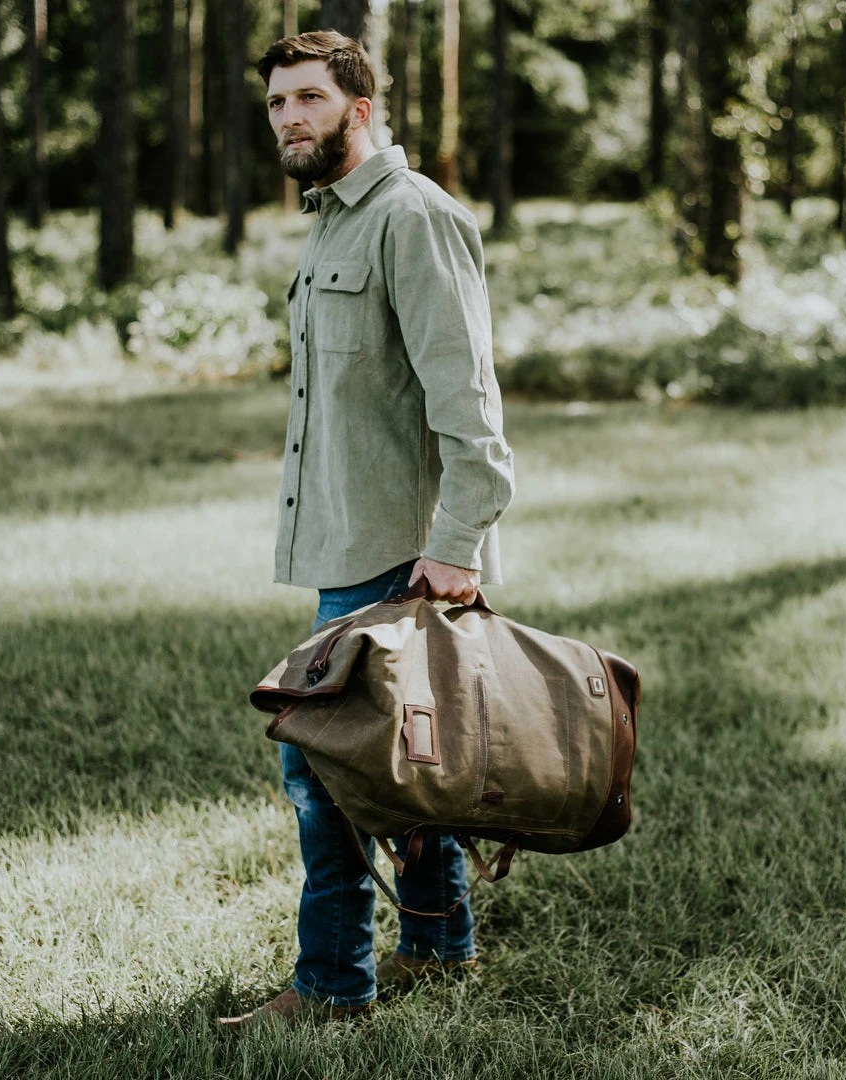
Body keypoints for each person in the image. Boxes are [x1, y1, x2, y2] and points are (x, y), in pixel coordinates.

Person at [218, 31, 515, 1029]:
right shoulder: (333, 222)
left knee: (322, 766)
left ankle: (332, 985)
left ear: (361, 106)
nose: (290, 118)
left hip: (406, 554)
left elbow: (468, 405)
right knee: (408, 764)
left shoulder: (411, 218)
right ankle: (439, 951)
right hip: (352, 541)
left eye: (308, 98)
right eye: (276, 104)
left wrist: (457, 546)